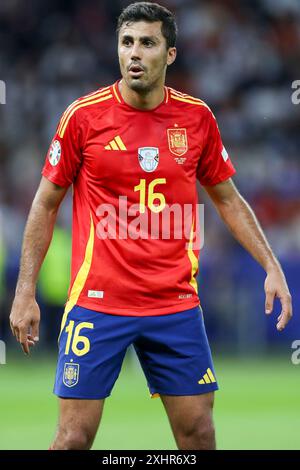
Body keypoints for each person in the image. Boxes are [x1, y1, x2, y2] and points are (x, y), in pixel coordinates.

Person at [9, 2, 292, 450]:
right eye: (126, 42)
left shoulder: (197, 119)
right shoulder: (83, 117)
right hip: (98, 303)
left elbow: (228, 199)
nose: (134, 53)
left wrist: (271, 266)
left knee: (198, 435)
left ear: (170, 54)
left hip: (173, 302)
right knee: (72, 438)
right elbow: (45, 204)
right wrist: (25, 290)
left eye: (147, 42)